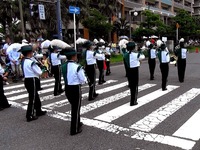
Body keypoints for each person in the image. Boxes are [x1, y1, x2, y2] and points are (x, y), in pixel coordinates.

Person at [61, 48, 87, 135]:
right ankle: (74, 129)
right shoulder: (77, 67)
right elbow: (83, 80)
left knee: (74, 106)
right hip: (75, 88)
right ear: (73, 56)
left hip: (67, 88)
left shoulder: (63, 65)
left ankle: (77, 122)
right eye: (76, 55)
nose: (77, 57)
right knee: (76, 108)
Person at [19, 45, 46, 122]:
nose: (32, 53)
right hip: (32, 80)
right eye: (31, 52)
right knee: (32, 98)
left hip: (27, 80)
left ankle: (38, 110)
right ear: (29, 53)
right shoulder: (31, 62)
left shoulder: (23, 61)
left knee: (35, 95)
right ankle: (29, 115)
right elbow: (39, 72)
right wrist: (43, 68)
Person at [124, 42, 145, 106]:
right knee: (135, 86)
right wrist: (140, 51)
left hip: (129, 70)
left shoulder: (126, 54)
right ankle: (133, 101)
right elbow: (143, 57)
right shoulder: (136, 54)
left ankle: (132, 100)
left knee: (131, 86)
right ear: (133, 48)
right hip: (135, 70)